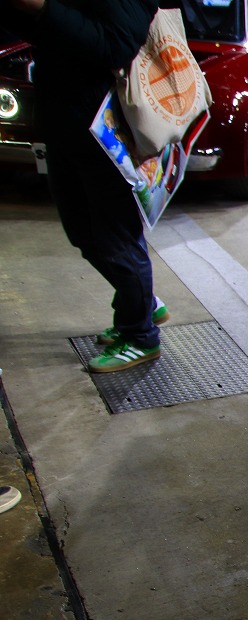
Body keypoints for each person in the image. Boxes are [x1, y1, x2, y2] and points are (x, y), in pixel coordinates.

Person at [1, 0, 168, 374]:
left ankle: (141, 335)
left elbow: (115, 46)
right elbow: (49, 35)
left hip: (108, 127)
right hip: (64, 122)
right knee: (82, 232)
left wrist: (43, 7)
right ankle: (141, 303)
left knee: (115, 237)